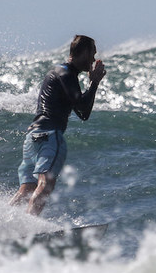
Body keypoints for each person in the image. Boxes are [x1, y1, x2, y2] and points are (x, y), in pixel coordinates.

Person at [11, 35, 107, 216]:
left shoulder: (59, 72)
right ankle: (28, 227)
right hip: (49, 135)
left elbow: (81, 112)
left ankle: (2, 225)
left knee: (27, 189)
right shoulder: (66, 74)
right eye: (92, 54)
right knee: (46, 183)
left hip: (32, 138)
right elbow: (84, 111)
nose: (93, 59)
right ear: (84, 52)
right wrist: (94, 83)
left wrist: (92, 84)